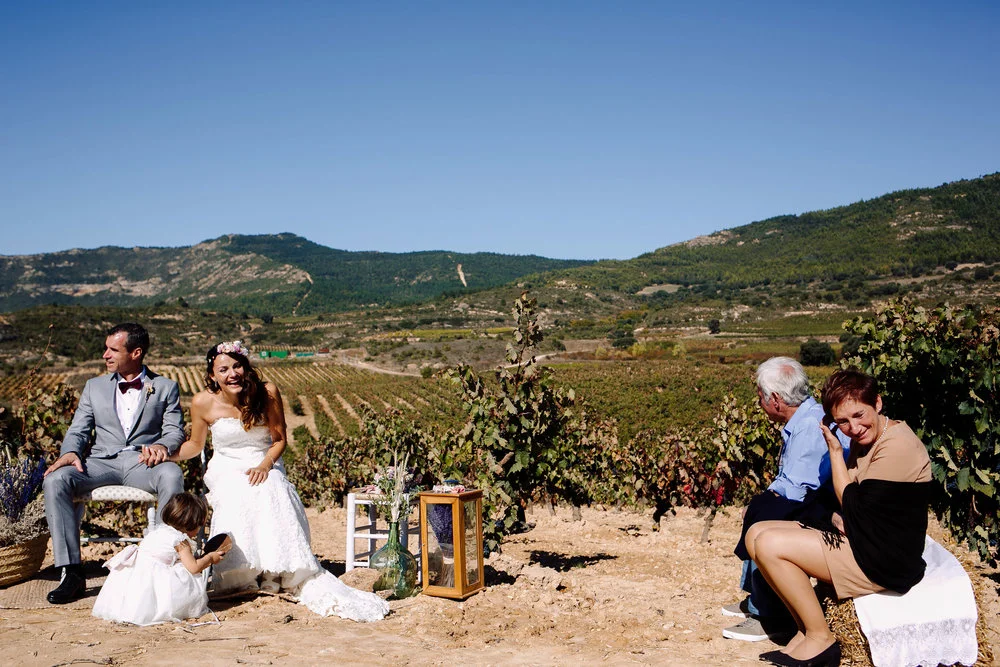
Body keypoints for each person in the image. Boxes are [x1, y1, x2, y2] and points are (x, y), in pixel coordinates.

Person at [169, 340, 389, 622]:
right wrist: (166, 455)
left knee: (272, 486)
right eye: (223, 370)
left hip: (265, 458)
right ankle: (242, 573)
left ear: (246, 367)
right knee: (238, 489)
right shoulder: (202, 402)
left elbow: (279, 440)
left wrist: (265, 465)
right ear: (212, 375)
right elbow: (195, 445)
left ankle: (276, 572)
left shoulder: (267, 392)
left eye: (237, 366)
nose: (232, 374)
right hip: (226, 466)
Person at [745, 369, 933, 667]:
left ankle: (821, 639)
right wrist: (835, 517)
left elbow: (851, 505)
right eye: (843, 422)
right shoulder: (867, 440)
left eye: (859, 415)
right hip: (864, 539)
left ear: (878, 403)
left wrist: (834, 451)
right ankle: (804, 630)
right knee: (757, 532)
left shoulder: (897, 445)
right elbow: (833, 506)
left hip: (884, 559)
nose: (853, 428)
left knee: (769, 544)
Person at [43, 323, 185, 604]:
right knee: (55, 479)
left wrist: (161, 446)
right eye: (106, 348)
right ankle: (71, 572)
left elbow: (174, 431)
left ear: (136, 353)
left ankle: (160, 561)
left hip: (142, 463)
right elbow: (78, 429)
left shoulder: (165, 387)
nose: (105, 355)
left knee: (172, 474)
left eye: (112, 350)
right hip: (100, 462)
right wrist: (70, 451)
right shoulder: (93, 387)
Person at [723, 357, 850, 642]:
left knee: (767, 514)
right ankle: (757, 599)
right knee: (762, 506)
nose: (759, 403)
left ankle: (769, 615)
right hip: (818, 502)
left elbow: (798, 489)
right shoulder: (805, 418)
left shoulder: (809, 427)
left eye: (761, 397)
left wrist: (762, 502)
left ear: (776, 400)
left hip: (830, 509)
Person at [92, 492, 230, 625]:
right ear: (192, 524)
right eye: (200, 525)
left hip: (134, 575)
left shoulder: (159, 531)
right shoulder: (180, 541)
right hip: (154, 578)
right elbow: (193, 567)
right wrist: (210, 558)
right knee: (184, 574)